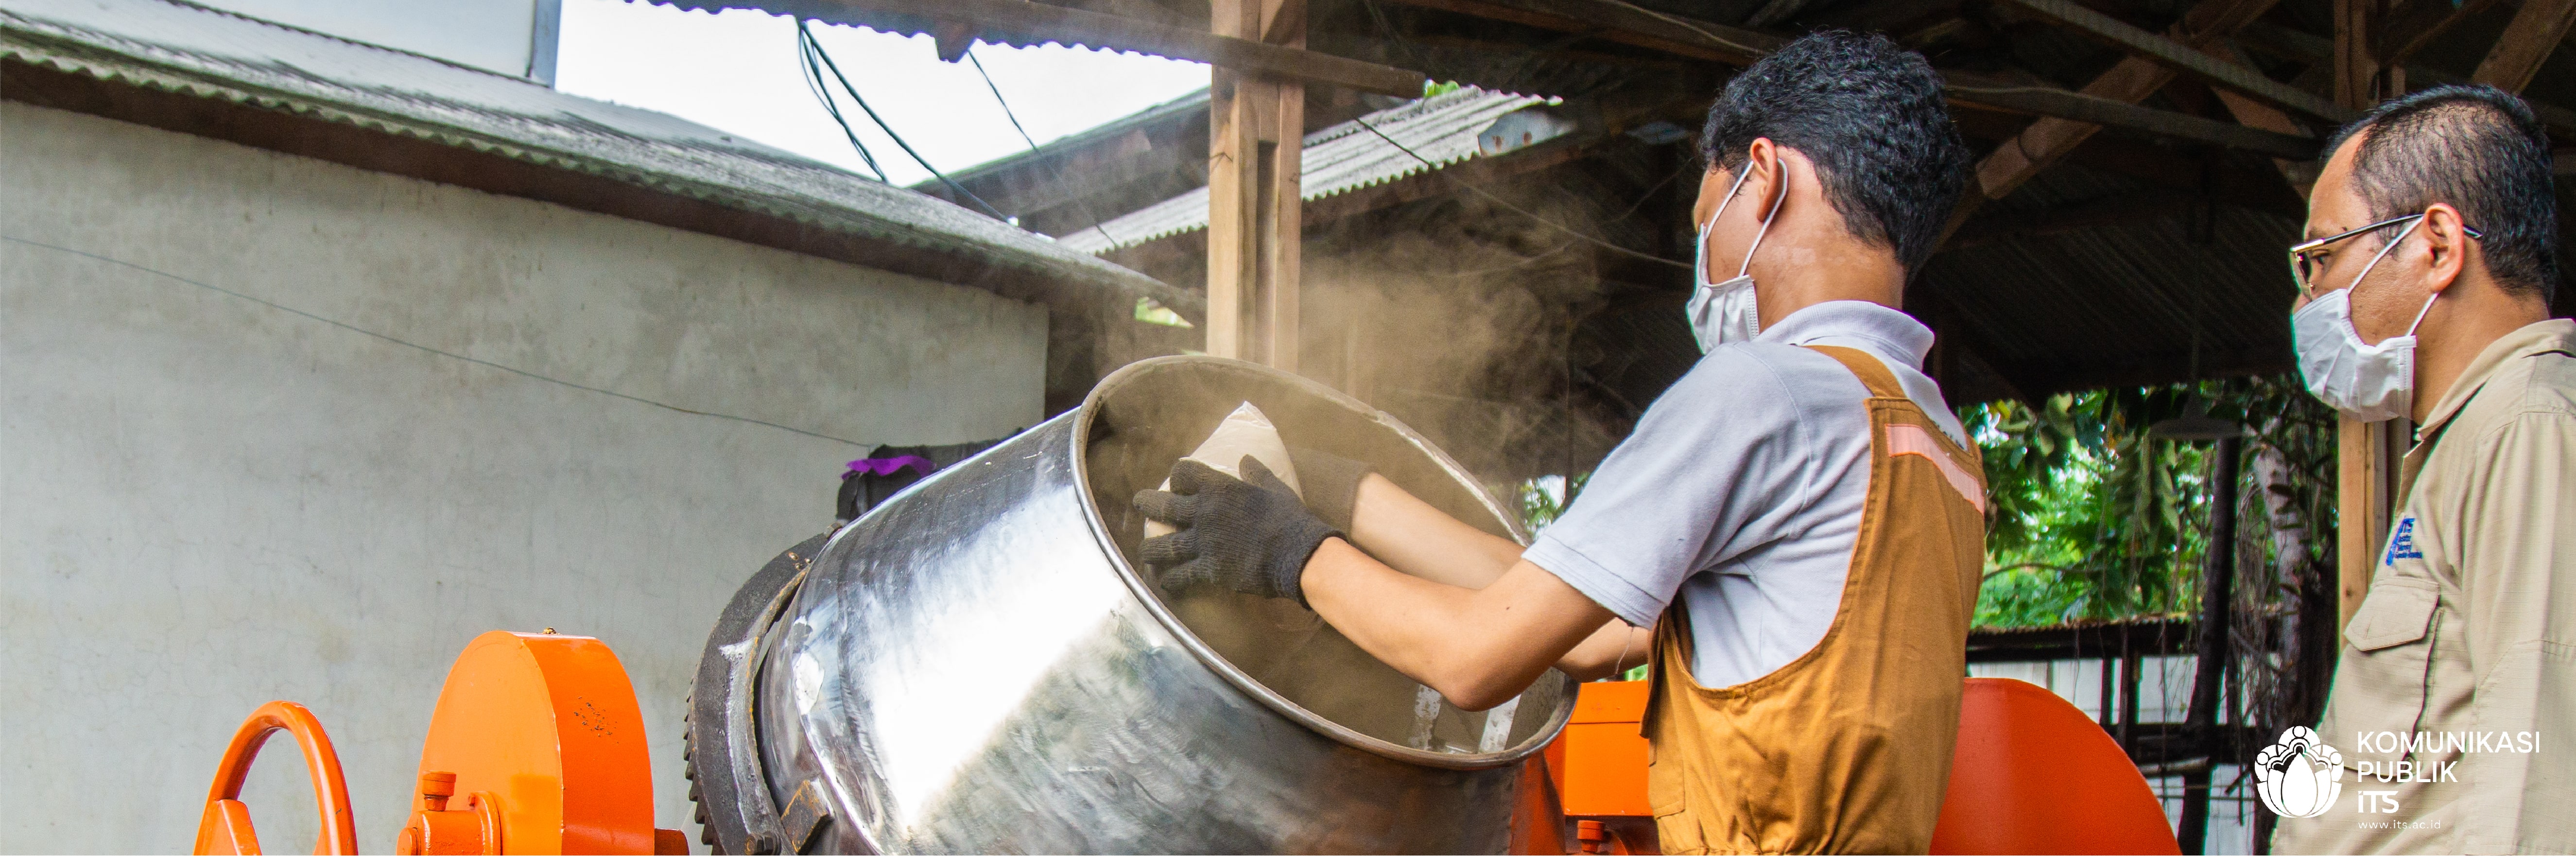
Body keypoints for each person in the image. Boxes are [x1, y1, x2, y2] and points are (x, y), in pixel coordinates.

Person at [1135, 31, 1985, 854]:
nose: (1708, 253)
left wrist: (1290, 551)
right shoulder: (1934, 443)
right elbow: (1580, 628)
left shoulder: (1764, 393)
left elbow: (1473, 658)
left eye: (1705, 218)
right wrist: (1343, 487)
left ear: (1761, 178)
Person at [2272, 85, 2574, 855]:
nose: (2309, 296)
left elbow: (2537, 765)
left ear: (2435, 244)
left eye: (2322, 255)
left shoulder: (2527, 428)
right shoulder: (2471, 437)